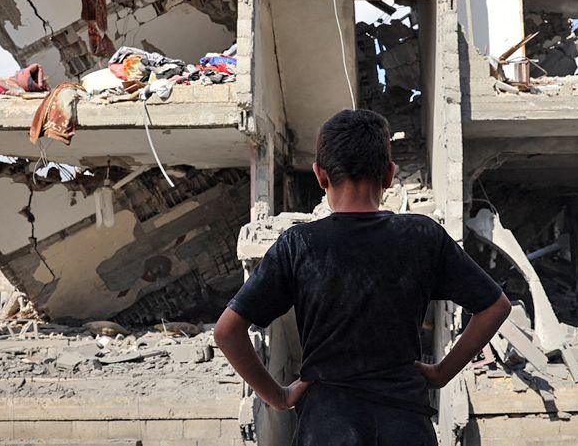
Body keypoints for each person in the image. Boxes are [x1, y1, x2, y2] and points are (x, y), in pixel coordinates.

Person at [215, 109, 511, 445]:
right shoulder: (421, 235)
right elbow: (495, 307)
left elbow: (227, 332)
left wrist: (278, 396)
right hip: (405, 427)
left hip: (325, 428)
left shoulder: (299, 245)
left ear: (320, 175)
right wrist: (442, 373)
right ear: (388, 174)